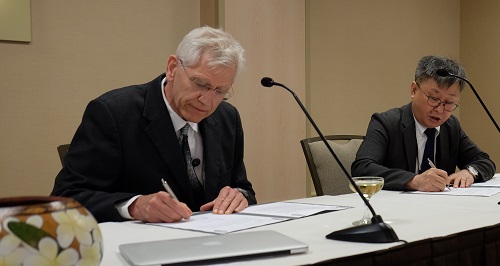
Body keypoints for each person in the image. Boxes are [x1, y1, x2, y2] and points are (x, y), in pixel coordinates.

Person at [51, 26, 256, 223]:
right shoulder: (113, 113)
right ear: (172, 68)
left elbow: (242, 187)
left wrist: (239, 195)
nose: (207, 101)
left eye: (220, 91)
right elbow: (66, 197)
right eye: (200, 84)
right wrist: (134, 206)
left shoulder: (228, 118)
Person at [352, 55, 496, 192]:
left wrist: (469, 172)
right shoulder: (386, 123)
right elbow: (362, 168)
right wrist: (413, 181)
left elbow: (484, 161)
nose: (440, 109)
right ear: (414, 90)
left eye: (449, 103)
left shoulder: (451, 126)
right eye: (433, 98)